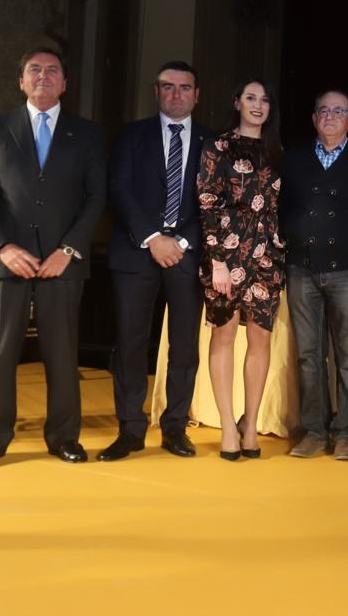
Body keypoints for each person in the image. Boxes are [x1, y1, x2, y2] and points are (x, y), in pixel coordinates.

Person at [0, 46, 106, 470]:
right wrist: (3, 246)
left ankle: (64, 436)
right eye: (34, 70)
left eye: (53, 70)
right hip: (4, 260)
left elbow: (96, 196)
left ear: (65, 83)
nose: (43, 75)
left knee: (62, 353)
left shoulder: (88, 133)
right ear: (21, 81)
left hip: (64, 261)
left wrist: (69, 249)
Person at [101, 61, 210, 461]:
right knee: (130, 343)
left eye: (185, 87)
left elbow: (214, 204)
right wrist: (153, 238)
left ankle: (175, 428)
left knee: (184, 347)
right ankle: (130, 429)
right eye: (168, 87)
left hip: (186, 255)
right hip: (135, 253)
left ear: (197, 94)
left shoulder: (212, 143)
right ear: (157, 91)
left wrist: (179, 240)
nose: (176, 94)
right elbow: (119, 190)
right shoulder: (131, 136)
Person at [197, 79, 286, 461]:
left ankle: (250, 425)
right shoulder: (217, 146)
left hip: (268, 253)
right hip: (226, 254)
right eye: (250, 98)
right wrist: (217, 259)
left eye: (265, 100)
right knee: (224, 337)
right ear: (236, 102)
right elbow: (207, 201)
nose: (258, 105)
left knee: (261, 340)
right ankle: (227, 429)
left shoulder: (276, 149)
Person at [279, 90, 348, 460]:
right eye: (323, 110)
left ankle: (346, 432)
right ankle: (314, 430)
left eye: (339, 111)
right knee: (308, 356)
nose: (330, 116)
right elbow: (281, 208)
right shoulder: (294, 158)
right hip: (302, 268)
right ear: (314, 118)